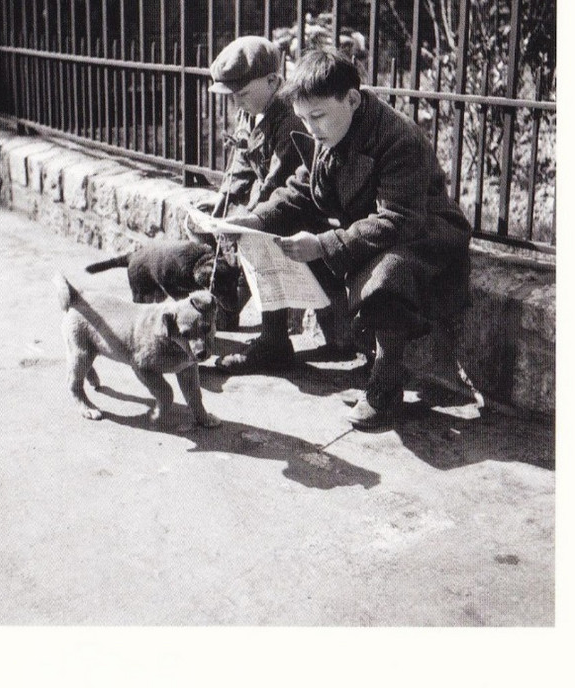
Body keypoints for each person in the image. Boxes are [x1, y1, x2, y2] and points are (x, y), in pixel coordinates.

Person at [224, 46, 472, 427]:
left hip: (423, 233)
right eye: (304, 119)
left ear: (352, 99)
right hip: (370, 226)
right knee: (272, 232)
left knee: (387, 273)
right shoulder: (329, 133)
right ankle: (274, 344)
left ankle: (386, 389)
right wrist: (253, 221)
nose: (311, 129)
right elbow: (302, 190)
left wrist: (323, 244)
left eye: (317, 117)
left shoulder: (397, 138)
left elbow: (398, 219)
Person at [194, 35, 309, 371]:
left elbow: (278, 180)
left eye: (241, 94)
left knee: (259, 237)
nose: (236, 103)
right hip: (272, 199)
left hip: (296, 205)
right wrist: (221, 207)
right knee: (209, 226)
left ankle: (273, 340)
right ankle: (226, 305)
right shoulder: (254, 109)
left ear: (273, 81)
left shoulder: (290, 116)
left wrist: (242, 217)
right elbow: (241, 165)